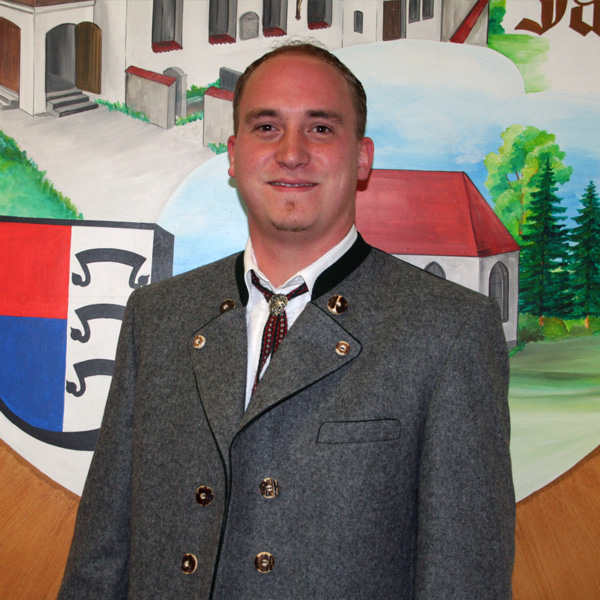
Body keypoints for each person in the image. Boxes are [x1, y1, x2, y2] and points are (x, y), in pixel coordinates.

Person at [59, 41, 515, 599]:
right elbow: (101, 555)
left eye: (320, 129)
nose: (292, 153)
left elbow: (464, 578)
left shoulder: (450, 330)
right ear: (233, 156)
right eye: (267, 127)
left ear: (362, 157)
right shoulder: (157, 318)